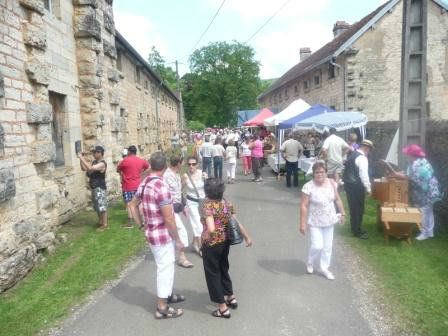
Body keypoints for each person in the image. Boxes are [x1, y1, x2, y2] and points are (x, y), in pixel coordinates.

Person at [129, 152, 185, 319]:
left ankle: (167, 295)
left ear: (151, 166)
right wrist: (178, 239)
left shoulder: (145, 183)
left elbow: (132, 206)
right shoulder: (161, 186)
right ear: (165, 167)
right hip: (162, 235)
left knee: (167, 265)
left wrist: (141, 225)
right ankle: (162, 306)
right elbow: (168, 217)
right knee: (165, 268)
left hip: (151, 232)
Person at [201, 178, 252, 318]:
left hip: (212, 244)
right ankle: (230, 296)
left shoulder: (207, 206)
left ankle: (222, 308)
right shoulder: (226, 203)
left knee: (213, 273)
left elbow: (211, 228)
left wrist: (204, 236)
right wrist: (246, 235)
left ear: (207, 191)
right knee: (223, 268)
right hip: (225, 242)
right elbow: (235, 222)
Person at [300, 161, 346, 280]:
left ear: (326, 173)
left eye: (322, 172)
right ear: (313, 173)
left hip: (329, 220)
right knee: (317, 245)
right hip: (315, 221)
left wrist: (343, 213)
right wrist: (302, 224)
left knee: (327, 247)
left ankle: (324, 268)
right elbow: (304, 206)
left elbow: (337, 199)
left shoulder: (332, 183)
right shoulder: (308, 186)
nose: (319, 174)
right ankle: (310, 262)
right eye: (317, 172)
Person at [391, 144, 441, 240]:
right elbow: (409, 173)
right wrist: (401, 173)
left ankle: (424, 233)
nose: (407, 156)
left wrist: (397, 174)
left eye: (408, 154)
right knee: (429, 211)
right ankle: (430, 232)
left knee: (423, 212)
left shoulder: (415, 165)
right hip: (433, 190)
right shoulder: (423, 161)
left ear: (411, 155)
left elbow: (409, 177)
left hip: (426, 192)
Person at [163, 155, 194, 268]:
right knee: (181, 231)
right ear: (178, 164)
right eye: (183, 163)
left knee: (172, 232)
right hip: (169, 208)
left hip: (176, 207)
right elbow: (166, 195)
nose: (184, 165)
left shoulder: (176, 174)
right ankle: (182, 258)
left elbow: (177, 192)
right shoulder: (167, 176)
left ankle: (171, 255)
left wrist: (183, 206)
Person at [343, 140, 374, 239]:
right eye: (369, 150)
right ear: (366, 148)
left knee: (353, 208)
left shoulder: (352, 155)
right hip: (356, 186)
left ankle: (355, 228)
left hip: (349, 185)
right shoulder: (362, 158)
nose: (369, 153)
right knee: (358, 209)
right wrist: (368, 188)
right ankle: (357, 231)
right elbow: (363, 175)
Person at [117, 145, 150, 228]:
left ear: (129, 152)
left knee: (129, 203)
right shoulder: (140, 160)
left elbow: (118, 169)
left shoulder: (125, 161)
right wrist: (141, 172)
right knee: (139, 203)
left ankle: (130, 222)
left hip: (128, 185)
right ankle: (142, 220)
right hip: (138, 185)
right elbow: (148, 166)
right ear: (136, 152)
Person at [79, 146, 108, 231]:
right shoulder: (94, 162)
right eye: (93, 152)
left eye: (95, 152)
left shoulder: (102, 163)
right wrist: (81, 159)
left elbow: (91, 168)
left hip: (99, 187)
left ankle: (105, 224)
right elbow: (84, 168)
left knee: (102, 206)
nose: (94, 154)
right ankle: (100, 221)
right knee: (97, 206)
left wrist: (81, 157)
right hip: (94, 187)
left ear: (100, 153)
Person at [183, 156, 207, 257]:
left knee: (202, 223)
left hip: (202, 202)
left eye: (193, 164)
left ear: (197, 164)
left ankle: (194, 241)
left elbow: (208, 188)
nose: (191, 166)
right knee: (198, 223)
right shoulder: (185, 175)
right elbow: (179, 189)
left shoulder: (202, 173)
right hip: (191, 202)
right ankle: (201, 247)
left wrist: (206, 179)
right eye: (189, 164)